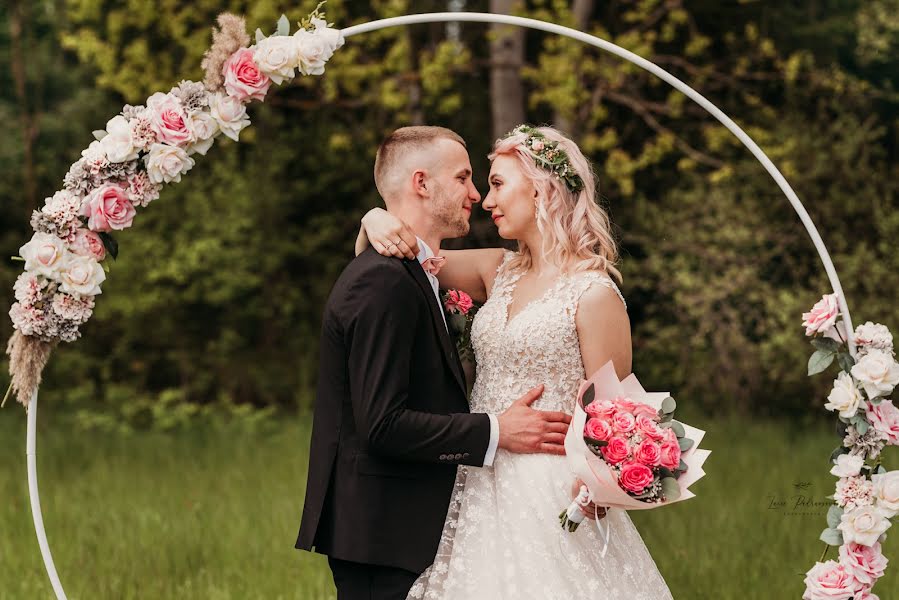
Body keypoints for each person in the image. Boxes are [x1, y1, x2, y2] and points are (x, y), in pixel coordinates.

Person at [359, 124, 673, 599]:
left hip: (550, 487)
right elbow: (401, 261)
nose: (485, 200)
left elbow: (621, 416)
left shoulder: (593, 294)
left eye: (499, 184)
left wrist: (599, 489)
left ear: (542, 188)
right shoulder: (496, 270)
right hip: (478, 475)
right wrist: (373, 219)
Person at [295, 126, 574, 600]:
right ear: (421, 183)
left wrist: (373, 220)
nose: (477, 194)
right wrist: (497, 431)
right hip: (381, 531)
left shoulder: (420, 269)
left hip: (415, 522)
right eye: (465, 178)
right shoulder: (383, 281)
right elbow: (381, 424)